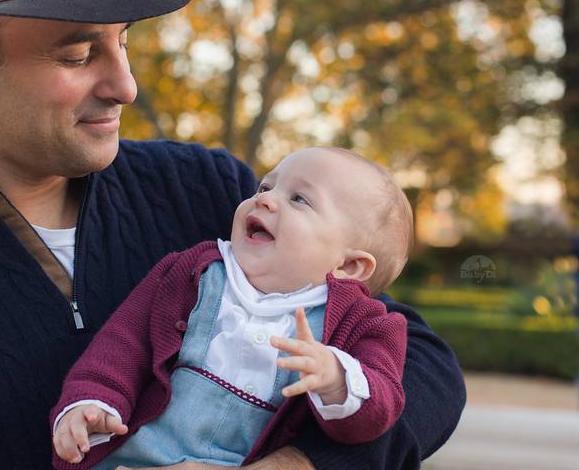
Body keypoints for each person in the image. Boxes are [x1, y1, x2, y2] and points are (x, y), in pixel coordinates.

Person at [0, 0, 465, 469]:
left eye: (122, 41)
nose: (124, 85)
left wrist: (291, 468)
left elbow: (422, 368)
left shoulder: (207, 191)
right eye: (76, 54)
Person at [51, 147, 411, 469]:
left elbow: (380, 410)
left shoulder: (367, 327)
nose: (266, 200)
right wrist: (93, 403)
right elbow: (122, 346)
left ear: (348, 267)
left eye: (299, 199)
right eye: (266, 187)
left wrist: (335, 378)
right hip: (134, 457)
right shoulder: (193, 273)